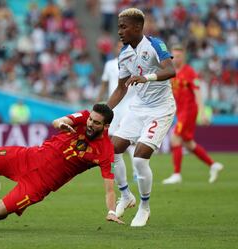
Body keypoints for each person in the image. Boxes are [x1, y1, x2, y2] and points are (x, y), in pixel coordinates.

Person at [0, 104, 124, 224]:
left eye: (96, 122)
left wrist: (112, 212)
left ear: (106, 126)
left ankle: (14, 204)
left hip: (39, 184)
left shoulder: (106, 152)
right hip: (27, 157)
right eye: (91, 119)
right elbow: (58, 121)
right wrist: (60, 124)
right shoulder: (83, 117)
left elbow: (109, 188)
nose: (90, 123)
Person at [107, 8, 176, 227]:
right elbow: (120, 89)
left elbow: (171, 70)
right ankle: (126, 195)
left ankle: (144, 207)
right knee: (112, 149)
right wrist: (101, 112)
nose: (119, 31)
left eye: (124, 27)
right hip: (138, 108)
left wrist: (147, 77)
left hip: (161, 108)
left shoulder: (155, 45)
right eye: (119, 27)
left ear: (137, 27)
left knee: (139, 157)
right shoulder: (124, 54)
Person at [162, 45, 223, 184]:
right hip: (180, 111)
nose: (175, 59)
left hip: (189, 111)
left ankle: (177, 174)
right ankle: (213, 165)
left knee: (175, 139)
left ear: (183, 57)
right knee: (188, 144)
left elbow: (197, 93)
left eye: (178, 56)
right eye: (173, 56)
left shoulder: (189, 72)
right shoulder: (171, 72)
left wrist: (202, 113)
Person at [96, 40, 137, 180]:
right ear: (115, 49)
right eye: (119, 47)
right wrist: (97, 102)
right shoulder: (109, 65)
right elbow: (104, 84)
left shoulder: (134, 63)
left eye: (123, 47)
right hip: (114, 106)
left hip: (129, 106)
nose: (121, 50)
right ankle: (112, 169)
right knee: (110, 139)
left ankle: (136, 171)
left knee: (130, 140)